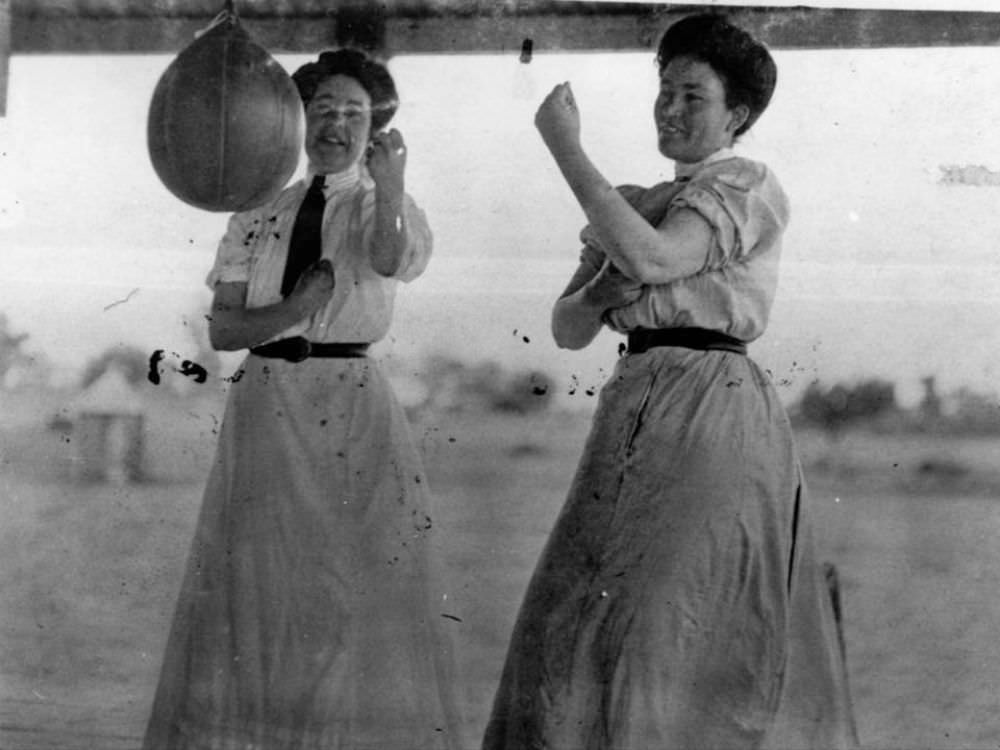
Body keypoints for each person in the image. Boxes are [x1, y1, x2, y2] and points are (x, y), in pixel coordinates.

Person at [483, 14, 859, 750]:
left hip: (712, 411)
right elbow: (567, 326)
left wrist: (565, 148)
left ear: (737, 116)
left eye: (694, 96)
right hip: (633, 408)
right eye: (665, 91)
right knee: (569, 620)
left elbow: (655, 260)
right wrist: (598, 294)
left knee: (667, 621)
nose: (671, 109)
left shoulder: (747, 186)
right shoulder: (635, 200)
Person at [143, 49, 461, 749]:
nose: (336, 125)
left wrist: (394, 181)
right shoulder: (258, 213)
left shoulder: (390, 206)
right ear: (295, 122)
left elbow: (386, 258)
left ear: (375, 126)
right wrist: (294, 308)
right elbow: (225, 330)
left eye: (354, 113)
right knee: (257, 585)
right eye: (322, 110)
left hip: (349, 403)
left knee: (347, 585)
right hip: (267, 403)